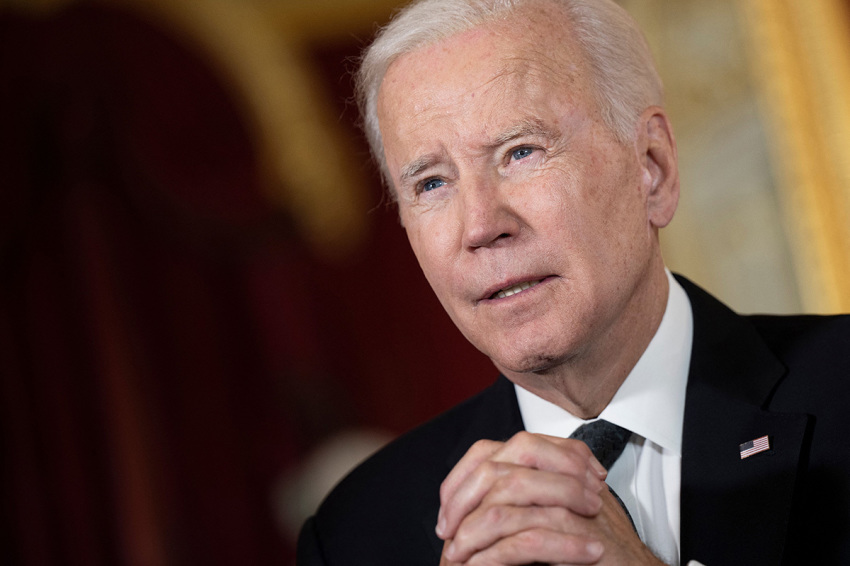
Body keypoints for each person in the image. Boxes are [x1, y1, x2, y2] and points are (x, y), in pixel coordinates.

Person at [297, 0, 850, 564]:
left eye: (520, 152)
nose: (482, 226)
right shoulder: (356, 534)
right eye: (433, 184)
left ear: (652, 167)